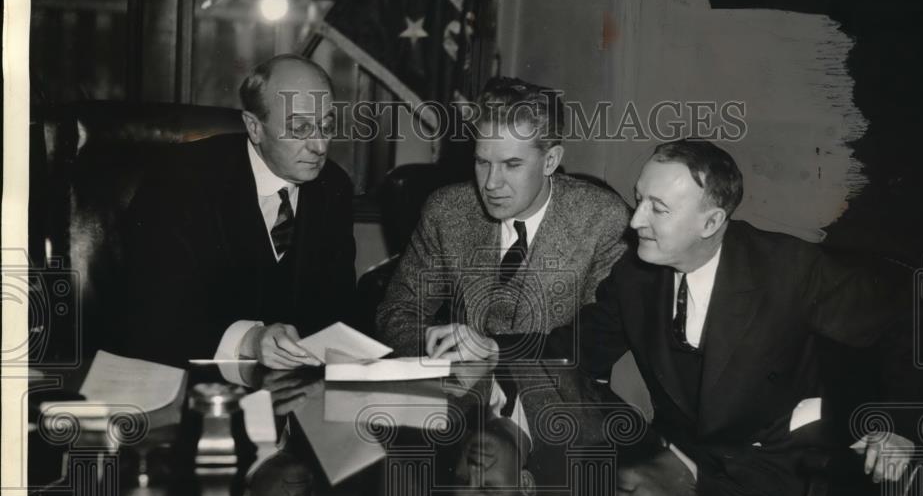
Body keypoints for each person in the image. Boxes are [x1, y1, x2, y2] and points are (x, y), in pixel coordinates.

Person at [499, 139, 922, 496]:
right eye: (639, 198)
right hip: (674, 459)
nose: (634, 220)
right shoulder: (636, 276)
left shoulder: (788, 268)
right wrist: (486, 347)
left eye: (657, 209)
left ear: (711, 221)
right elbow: (573, 349)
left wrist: (898, 425)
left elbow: (903, 322)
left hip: (775, 470)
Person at [123, 54, 357, 368]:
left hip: (297, 384)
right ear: (254, 127)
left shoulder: (334, 187)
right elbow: (153, 315)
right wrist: (247, 340)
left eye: (326, 126)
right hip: (196, 382)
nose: (319, 146)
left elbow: (338, 310)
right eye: (300, 128)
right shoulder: (181, 179)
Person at [376, 76, 630, 360]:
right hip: (459, 390)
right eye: (483, 162)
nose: (491, 183)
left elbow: (597, 342)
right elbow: (398, 312)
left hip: (554, 394)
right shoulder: (446, 210)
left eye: (512, 165)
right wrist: (444, 354)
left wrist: (494, 354)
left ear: (551, 161)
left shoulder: (602, 219)